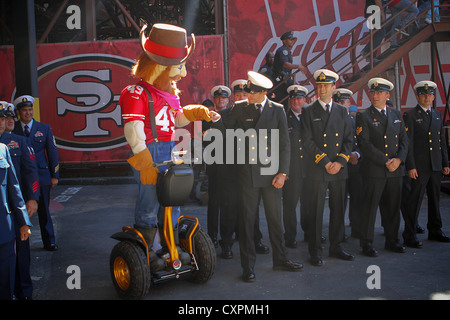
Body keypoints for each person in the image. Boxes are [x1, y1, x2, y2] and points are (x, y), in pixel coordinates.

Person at [118, 23, 218, 250]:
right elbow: (133, 129)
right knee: (150, 200)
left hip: (169, 147)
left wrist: (196, 112)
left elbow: (176, 120)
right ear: (160, 64)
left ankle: (170, 246)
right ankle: (146, 250)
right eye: (179, 66)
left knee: (173, 199)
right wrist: (143, 159)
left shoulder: (169, 94)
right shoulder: (136, 93)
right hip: (149, 151)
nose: (183, 73)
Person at [219, 71, 303, 282]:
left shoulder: (277, 110)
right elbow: (225, 131)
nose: (248, 95)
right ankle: (248, 266)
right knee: (247, 221)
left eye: (252, 93)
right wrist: (213, 120)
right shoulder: (239, 108)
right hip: (247, 173)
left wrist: (283, 172)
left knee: (275, 219)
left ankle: (281, 259)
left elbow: (285, 144)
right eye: (247, 92)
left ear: (263, 93)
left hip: (272, 172)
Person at [301, 69, 354, 267]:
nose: (322, 89)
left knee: (338, 210)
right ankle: (315, 251)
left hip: (339, 169)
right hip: (318, 168)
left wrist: (339, 162)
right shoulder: (308, 110)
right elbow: (307, 140)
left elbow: (349, 140)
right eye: (319, 85)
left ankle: (336, 247)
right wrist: (325, 163)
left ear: (334, 87)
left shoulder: (342, 111)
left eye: (326, 86)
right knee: (315, 212)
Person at [356, 77, 408, 257]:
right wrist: (386, 161)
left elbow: (404, 141)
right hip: (375, 170)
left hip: (395, 171)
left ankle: (392, 240)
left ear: (387, 95)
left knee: (393, 208)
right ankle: (367, 243)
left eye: (379, 93)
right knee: (369, 209)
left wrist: (399, 160)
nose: (375, 96)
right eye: (373, 92)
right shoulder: (363, 116)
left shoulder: (396, 115)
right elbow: (364, 144)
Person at [402, 80, 450, 247]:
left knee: (435, 199)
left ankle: (435, 230)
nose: (427, 97)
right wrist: (411, 166)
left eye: (430, 94)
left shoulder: (436, 114)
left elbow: (441, 140)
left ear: (433, 96)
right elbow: (408, 143)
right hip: (419, 167)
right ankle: (410, 234)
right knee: (414, 201)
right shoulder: (411, 115)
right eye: (424, 94)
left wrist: (445, 162)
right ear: (418, 96)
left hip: (435, 165)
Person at [0, 102, 39, 300]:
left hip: (16, 208)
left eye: (7, 118)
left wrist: (32, 198)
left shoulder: (18, 142)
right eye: (2, 118)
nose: (5, 122)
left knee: (21, 255)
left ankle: (24, 293)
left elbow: (30, 172)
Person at [13, 95, 59, 251]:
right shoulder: (14, 129)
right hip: (21, 177)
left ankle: (50, 241)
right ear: (19, 112)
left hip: (42, 175)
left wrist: (54, 175)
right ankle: (22, 243)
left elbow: (52, 152)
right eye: (24, 110)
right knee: (22, 210)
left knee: (44, 210)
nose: (28, 113)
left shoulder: (43, 128)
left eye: (30, 110)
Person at [0, 142, 31, 300]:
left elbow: (14, 187)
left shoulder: (3, 149)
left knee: (6, 282)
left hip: (4, 229)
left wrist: (24, 222)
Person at [332, 89, 363, 239]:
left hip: (355, 165)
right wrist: (344, 157)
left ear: (349, 104)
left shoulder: (355, 120)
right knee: (339, 201)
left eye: (343, 103)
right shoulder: (330, 120)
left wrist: (356, 154)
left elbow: (362, 141)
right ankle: (339, 233)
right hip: (339, 166)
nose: (340, 105)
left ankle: (357, 228)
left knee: (357, 199)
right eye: (338, 102)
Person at [204, 85, 231, 247]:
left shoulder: (233, 115)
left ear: (228, 100)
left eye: (224, 97)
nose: (221, 100)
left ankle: (226, 238)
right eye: (218, 98)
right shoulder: (206, 117)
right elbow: (203, 139)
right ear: (214, 100)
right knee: (213, 203)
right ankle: (212, 236)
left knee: (228, 203)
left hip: (229, 165)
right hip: (214, 165)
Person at [282, 85, 308, 248]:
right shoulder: (284, 118)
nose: (296, 101)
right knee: (290, 205)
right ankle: (290, 236)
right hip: (292, 170)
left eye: (299, 98)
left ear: (304, 100)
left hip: (310, 169)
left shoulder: (310, 116)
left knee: (308, 204)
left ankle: (309, 233)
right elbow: (280, 146)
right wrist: (283, 170)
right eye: (293, 99)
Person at [272, 31, 307, 106]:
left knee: (292, 97)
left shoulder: (286, 50)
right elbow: (285, 64)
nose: (292, 41)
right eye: (290, 39)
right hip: (281, 81)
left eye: (293, 39)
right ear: (284, 40)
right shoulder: (283, 50)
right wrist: (298, 66)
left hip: (285, 80)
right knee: (285, 101)